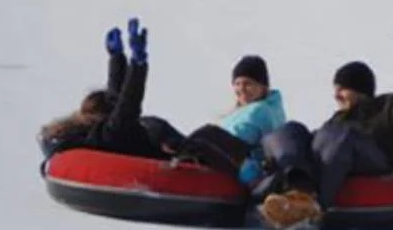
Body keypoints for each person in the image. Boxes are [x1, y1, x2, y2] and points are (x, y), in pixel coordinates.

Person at [253, 32, 393, 230]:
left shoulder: (387, 107)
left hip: (380, 162)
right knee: (292, 130)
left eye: (342, 88)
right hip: (338, 158)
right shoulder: (338, 120)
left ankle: (313, 206)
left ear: (359, 90)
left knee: (343, 135)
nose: (336, 95)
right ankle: (297, 193)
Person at [38, 17, 170, 160]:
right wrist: (138, 64)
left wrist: (117, 58)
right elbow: (128, 102)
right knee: (156, 127)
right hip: (153, 158)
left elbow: (118, 99)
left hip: (147, 141)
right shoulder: (112, 132)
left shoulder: (74, 133)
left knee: (151, 124)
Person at [168, 55, 288, 183]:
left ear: (263, 86)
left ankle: (173, 160)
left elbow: (241, 141)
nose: (241, 89)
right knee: (158, 127)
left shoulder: (263, 110)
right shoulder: (242, 111)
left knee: (207, 134)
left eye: (248, 84)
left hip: (247, 170)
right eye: (237, 84)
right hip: (231, 160)